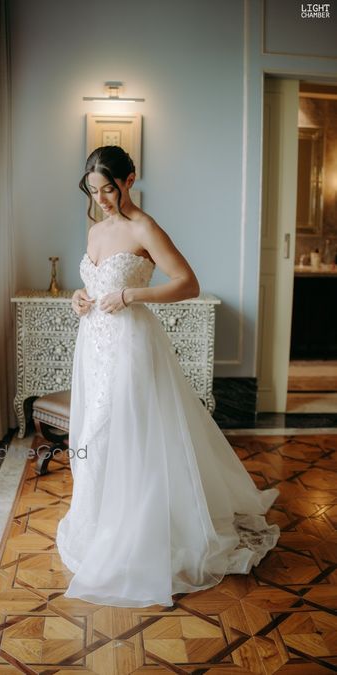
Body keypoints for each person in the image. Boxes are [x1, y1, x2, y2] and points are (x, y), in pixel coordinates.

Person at [55, 145, 280, 608]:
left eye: (108, 189)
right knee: (98, 434)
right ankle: (102, 524)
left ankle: (140, 532)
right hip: (93, 345)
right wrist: (80, 297)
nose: (101, 198)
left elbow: (187, 283)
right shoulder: (97, 229)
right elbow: (94, 286)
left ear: (129, 180)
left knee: (131, 431)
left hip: (131, 345)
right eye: (94, 190)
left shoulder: (145, 228)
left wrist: (130, 295)